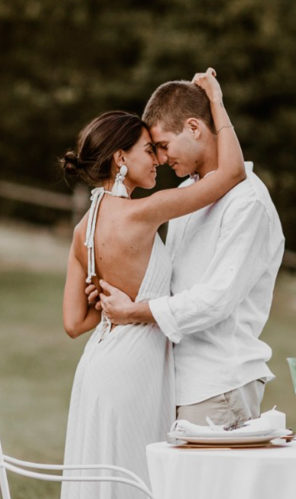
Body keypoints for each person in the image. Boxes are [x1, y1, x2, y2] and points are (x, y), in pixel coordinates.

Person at [59, 68, 244, 499]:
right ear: (121, 159)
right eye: (148, 150)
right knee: (137, 480)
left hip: (98, 365)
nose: (158, 159)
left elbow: (73, 322)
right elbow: (232, 173)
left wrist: (102, 304)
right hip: (134, 370)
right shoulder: (143, 213)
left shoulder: (82, 229)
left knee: (105, 477)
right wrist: (215, 101)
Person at [96, 78, 284, 429]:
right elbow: (173, 282)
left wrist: (132, 311)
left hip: (218, 385)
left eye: (164, 145)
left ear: (194, 127)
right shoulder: (187, 194)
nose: (161, 159)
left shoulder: (248, 203)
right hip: (178, 382)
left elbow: (216, 299)